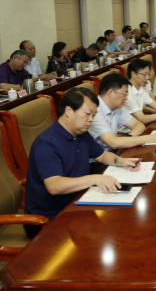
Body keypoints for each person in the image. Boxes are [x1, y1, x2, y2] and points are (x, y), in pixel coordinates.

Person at [23, 87, 142, 238]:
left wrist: (120, 161)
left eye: (94, 115)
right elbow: (54, 186)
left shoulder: (81, 133)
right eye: (87, 114)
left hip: (78, 202)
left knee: (123, 221)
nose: (91, 119)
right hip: (50, 218)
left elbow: (102, 155)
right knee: (109, 233)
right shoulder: (46, 144)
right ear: (68, 111)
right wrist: (94, 179)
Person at [88, 73, 156, 153]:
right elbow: (113, 143)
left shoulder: (116, 107)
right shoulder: (95, 112)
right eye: (124, 94)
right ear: (110, 92)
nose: (126, 98)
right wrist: (149, 138)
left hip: (111, 154)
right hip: (97, 159)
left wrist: (129, 138)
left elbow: (139, 125)